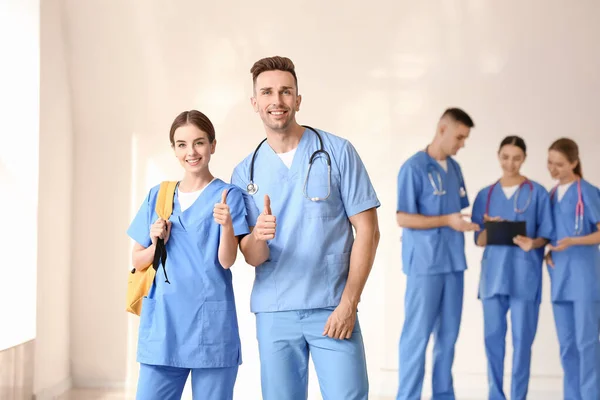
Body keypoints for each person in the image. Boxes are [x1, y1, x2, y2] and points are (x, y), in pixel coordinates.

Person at [230, 56, 381, 400]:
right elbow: (251, 257)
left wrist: (348, 304)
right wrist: (258, 236)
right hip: (275, 310)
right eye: (267, 92)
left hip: (332, 306)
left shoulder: (339, 152)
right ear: (255, 103)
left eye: (285, 92)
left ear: (298, 99)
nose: (277, 100)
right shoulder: (245, 173)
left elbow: (369, 232)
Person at [127, 110, 269, 400]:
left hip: (210, 330)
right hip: (164, 329)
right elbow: (138, 260)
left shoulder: (229, 195)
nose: (191, 152)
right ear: (174, 149)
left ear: (213, 145)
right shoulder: (159, 195)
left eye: (199, 143)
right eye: (181, 144)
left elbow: (227, 261)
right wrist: (157, 242)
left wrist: (227, 225)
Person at [396, 108, 478, 400]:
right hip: (425, 265)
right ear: (442, 128)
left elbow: (458, 211)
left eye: (465, 139)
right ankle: (408, 396)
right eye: (459, 137)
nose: (462, 144)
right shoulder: (413, 168)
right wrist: (447, 221)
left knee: (448, 338)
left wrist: (476, 223)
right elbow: (403, 218)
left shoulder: (455, 169)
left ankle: (444, 395)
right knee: (416, 337)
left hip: (454, 263)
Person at [471, 136, 553, 400]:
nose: (510, 163)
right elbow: (479, 240)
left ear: (525, 159)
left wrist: (533, 243)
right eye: (505, 157)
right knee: (493, 343)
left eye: (516, 158)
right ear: (498, 156)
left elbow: (546, 235)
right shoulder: (486, 195)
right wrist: (489, 226)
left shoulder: (538, 192)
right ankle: (496, 395)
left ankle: (519, 397)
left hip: (524, 278)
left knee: (522, 345)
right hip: (493, 278)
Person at [545, 138, 600, 400]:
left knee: (586, 344)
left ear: (574, 163)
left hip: (584, 277)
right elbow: (549, 233)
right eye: (550, 163)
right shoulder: (552, 194)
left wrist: (573, 241)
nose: (553, 169)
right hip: (560, 277)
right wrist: (547, 252)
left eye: (559, 164)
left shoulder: (587, 191)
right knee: (567, 346)